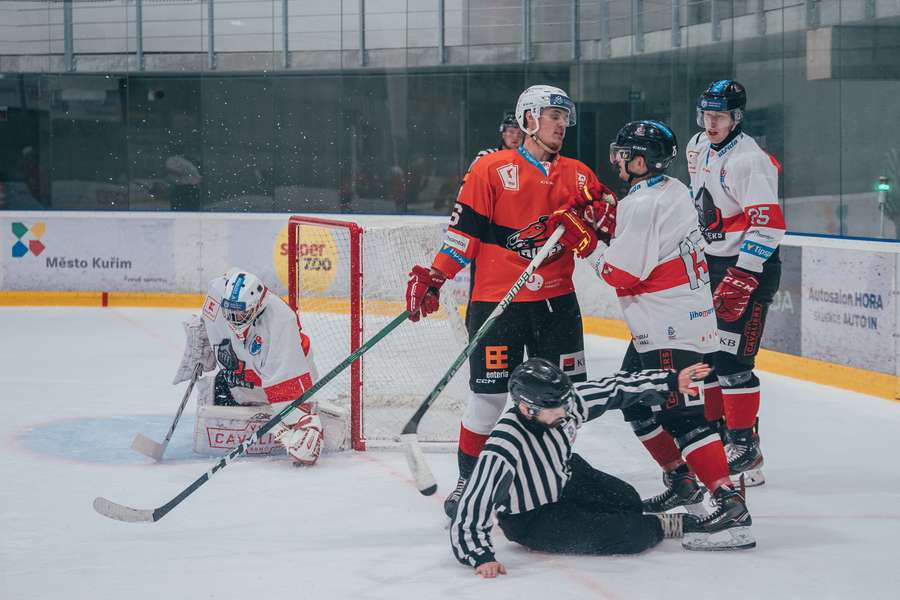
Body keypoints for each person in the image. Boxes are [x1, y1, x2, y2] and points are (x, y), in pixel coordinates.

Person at [404, 85, 617, 519]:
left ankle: (549, 472)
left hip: (557, 305)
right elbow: (462, 237)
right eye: (552, 115)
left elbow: (607, 219)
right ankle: (470, 479)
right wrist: (437, 276)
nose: (561, 124)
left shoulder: (578, 174)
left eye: (564, 116)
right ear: (528, 120)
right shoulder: (490, 169)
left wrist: (603, 213)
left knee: (564, 396)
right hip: (497, 303)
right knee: (488, 397)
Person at [553, 119, 755, 551]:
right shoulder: (672, 190)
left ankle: (729, 506)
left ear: (641, 160)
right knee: (636, 405)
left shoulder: (643, 205)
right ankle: (683, 482)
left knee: (684, 417)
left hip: (671, 327)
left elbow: (621, 274)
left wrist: (586, 241)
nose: (618, 160)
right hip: (666, 324)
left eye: (624, 154)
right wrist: (607, 227)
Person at [451, 357, 718, 577]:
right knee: (635, 534)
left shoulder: (563, 405)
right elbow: (476, 499)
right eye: (556, 408)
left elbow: (613, 387)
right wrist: (480, 556)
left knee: (628, 500)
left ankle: (611, 514)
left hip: (565, 478)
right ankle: (664, 525)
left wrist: (670, 381)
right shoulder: (505, 443)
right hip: (533, 518)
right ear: (527, 408)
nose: (565, 412)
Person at [686, 80, 785, 486]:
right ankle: (718, 438)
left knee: (733, 364)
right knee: (707, 360)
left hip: (751, 269)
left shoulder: (748, 161)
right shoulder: (697, 146)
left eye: (719, 116)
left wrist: (743, 274)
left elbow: (769, 225)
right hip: (712, 263)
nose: (710, 123)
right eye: (706, 114)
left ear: (736, 118)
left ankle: (745, 444)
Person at [172, 268, 325, 465]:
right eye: (230, 313)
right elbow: (209, 317)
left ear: (257, 306)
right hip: (243, 374)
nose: (233, 319)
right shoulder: (218, 293)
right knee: (220, 386)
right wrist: (204, 338)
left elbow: (286, 385)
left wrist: (301, 424)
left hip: (283, 375)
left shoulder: (280, 322)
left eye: (240, 314)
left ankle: (274, 413)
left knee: (286, 410)